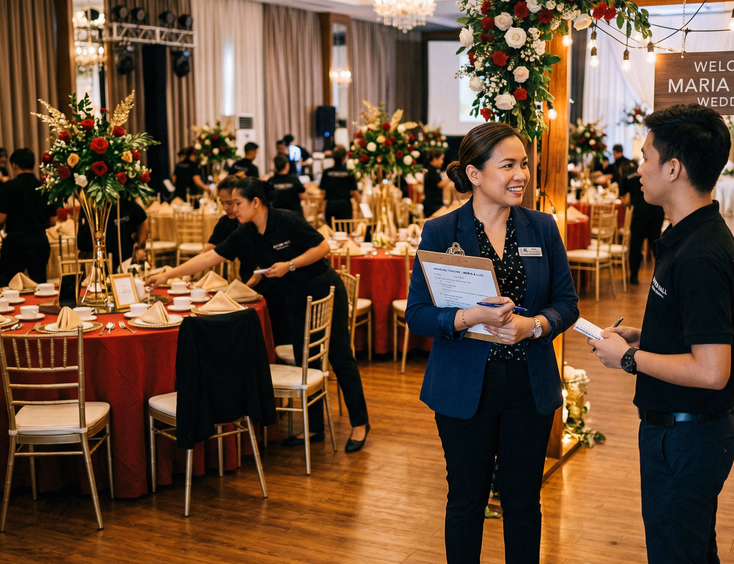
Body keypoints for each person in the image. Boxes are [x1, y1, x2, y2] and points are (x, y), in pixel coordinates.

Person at [405, 122, 579, 563]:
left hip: (528, 383)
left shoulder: (542, 227)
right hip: (464, 387)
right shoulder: (442, 232)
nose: (521, 174)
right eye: (508, 165)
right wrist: (468, 318)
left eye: (524, 164)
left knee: (523, 500)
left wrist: (535, 325)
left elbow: (567, 303)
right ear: (475, 174)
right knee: (465, 499)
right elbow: (418, 314)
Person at [588, 104, 734, 564]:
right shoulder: (690, 237)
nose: (638, 169)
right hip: (682, 434)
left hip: (686, 438)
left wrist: (628, 359)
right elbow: (699, 333)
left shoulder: (700, 255)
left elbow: (713, 371)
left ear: (673, 168)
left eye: (646, 157)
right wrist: (643, 336)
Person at [146, 177, 370, 452]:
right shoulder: (245, 233)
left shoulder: (287, 220)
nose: (233, 210)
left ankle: (360, 424)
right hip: (293, 299)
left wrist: (290, 264)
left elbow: (323, 248)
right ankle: (313, 429)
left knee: (339, 356)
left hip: (323, 291)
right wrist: (167, 274)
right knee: (303, 359)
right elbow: (209, 258)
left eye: (237, 203)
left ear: (255, 202)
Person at [0, 148, 57, 285]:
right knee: (39, 285)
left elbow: (1, 219)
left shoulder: (9, 187)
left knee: (9, 285)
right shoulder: (44, 187)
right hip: (39, 241)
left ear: (14, 165)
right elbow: (53, 221)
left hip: (15, 242)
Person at [77, 198, 148, 272]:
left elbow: (142, 221)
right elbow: (82, 242)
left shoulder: (125, 202)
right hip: (96, 260)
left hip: (124, 258)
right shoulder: (89, 205)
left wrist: (140, 245)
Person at [619, 172, 665, 285]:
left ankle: (634, 276)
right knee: (656, 246)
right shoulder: (656, 173)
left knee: (635, 246)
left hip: (639, 213)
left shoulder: (628, 177)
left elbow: (625, 200)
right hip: (656, 212)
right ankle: (664, 276)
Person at [319, 145, 360, 226]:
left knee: (332, 231)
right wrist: (361, 204)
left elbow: (322, 193)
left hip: (331, 205)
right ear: (345, 157)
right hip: (345, 206)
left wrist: (319, 207)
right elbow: (355, 192)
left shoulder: (327, 172)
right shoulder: (349, 172)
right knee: (346, 231)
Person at [422, 148, 451, 218]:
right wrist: (451, 176)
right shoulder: (432, 170)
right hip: (432, 204)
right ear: (435, 159)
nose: (442, 161)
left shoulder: (433, 170)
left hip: (432, 203)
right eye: (441, 159)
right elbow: (440, 184)